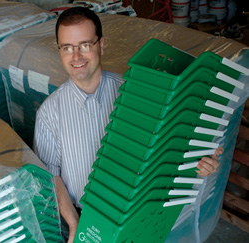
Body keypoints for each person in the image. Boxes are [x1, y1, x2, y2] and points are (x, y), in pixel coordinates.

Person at [34, 7, 223, 243]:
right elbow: (52, 176)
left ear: (101, 45)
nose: (76, 57)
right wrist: (74, 224)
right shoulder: (49, 114)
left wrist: (200, 163)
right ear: (60, 51)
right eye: (67, 48)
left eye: (85, 45)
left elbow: (168, 149)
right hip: (84, 221)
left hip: (139, 218)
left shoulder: (135, 94)